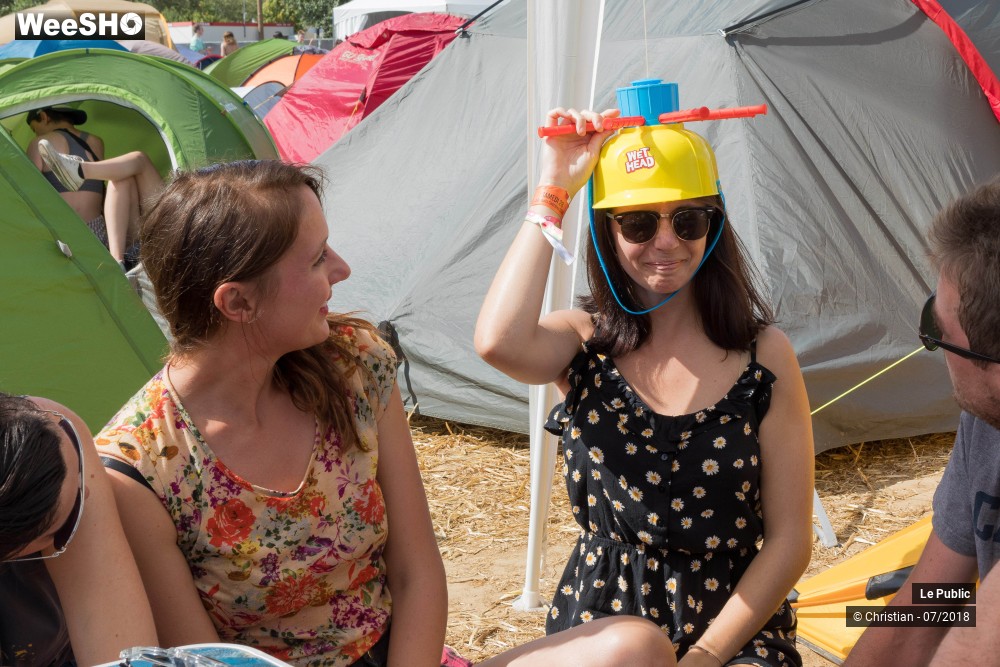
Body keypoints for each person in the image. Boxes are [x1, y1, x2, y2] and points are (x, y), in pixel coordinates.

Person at [95, 159, 676, 667]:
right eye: (318, 258)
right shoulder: (138, 468)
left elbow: (417, 573)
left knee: (635, 648)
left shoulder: (353, 364)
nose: (342, 269)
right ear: (237, 301)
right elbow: (205, 664)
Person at [475, 106, 815, 666]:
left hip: (733, 628)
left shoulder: (764, 353)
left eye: (687, 221)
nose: (666, 242)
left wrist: (704, 657)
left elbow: (789, 542)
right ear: (607, 230)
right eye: (638, 222)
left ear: (714, 224)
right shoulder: (583, 341)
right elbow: (498, 342)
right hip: (603, 621)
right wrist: (553, 187)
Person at [845, 176, 1000, 667]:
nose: (930, 346)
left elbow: (971, 647)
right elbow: (926, 607)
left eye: (937, 331)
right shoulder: (986, 424)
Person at [0, 393, 158, 665]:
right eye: (60, 530)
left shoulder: (40, 419)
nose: (85, 493)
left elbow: (123, 655)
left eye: (66, 436)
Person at [26, 106, 164, 267]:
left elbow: (30, 194)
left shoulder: (40, 143)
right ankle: (118, 260)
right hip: (99, 233)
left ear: (43, 117)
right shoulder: (95, 142)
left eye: (34, 129)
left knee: (126, 172)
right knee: (123, 176)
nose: (36, 133)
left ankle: (79, 170)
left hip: (64, 234)